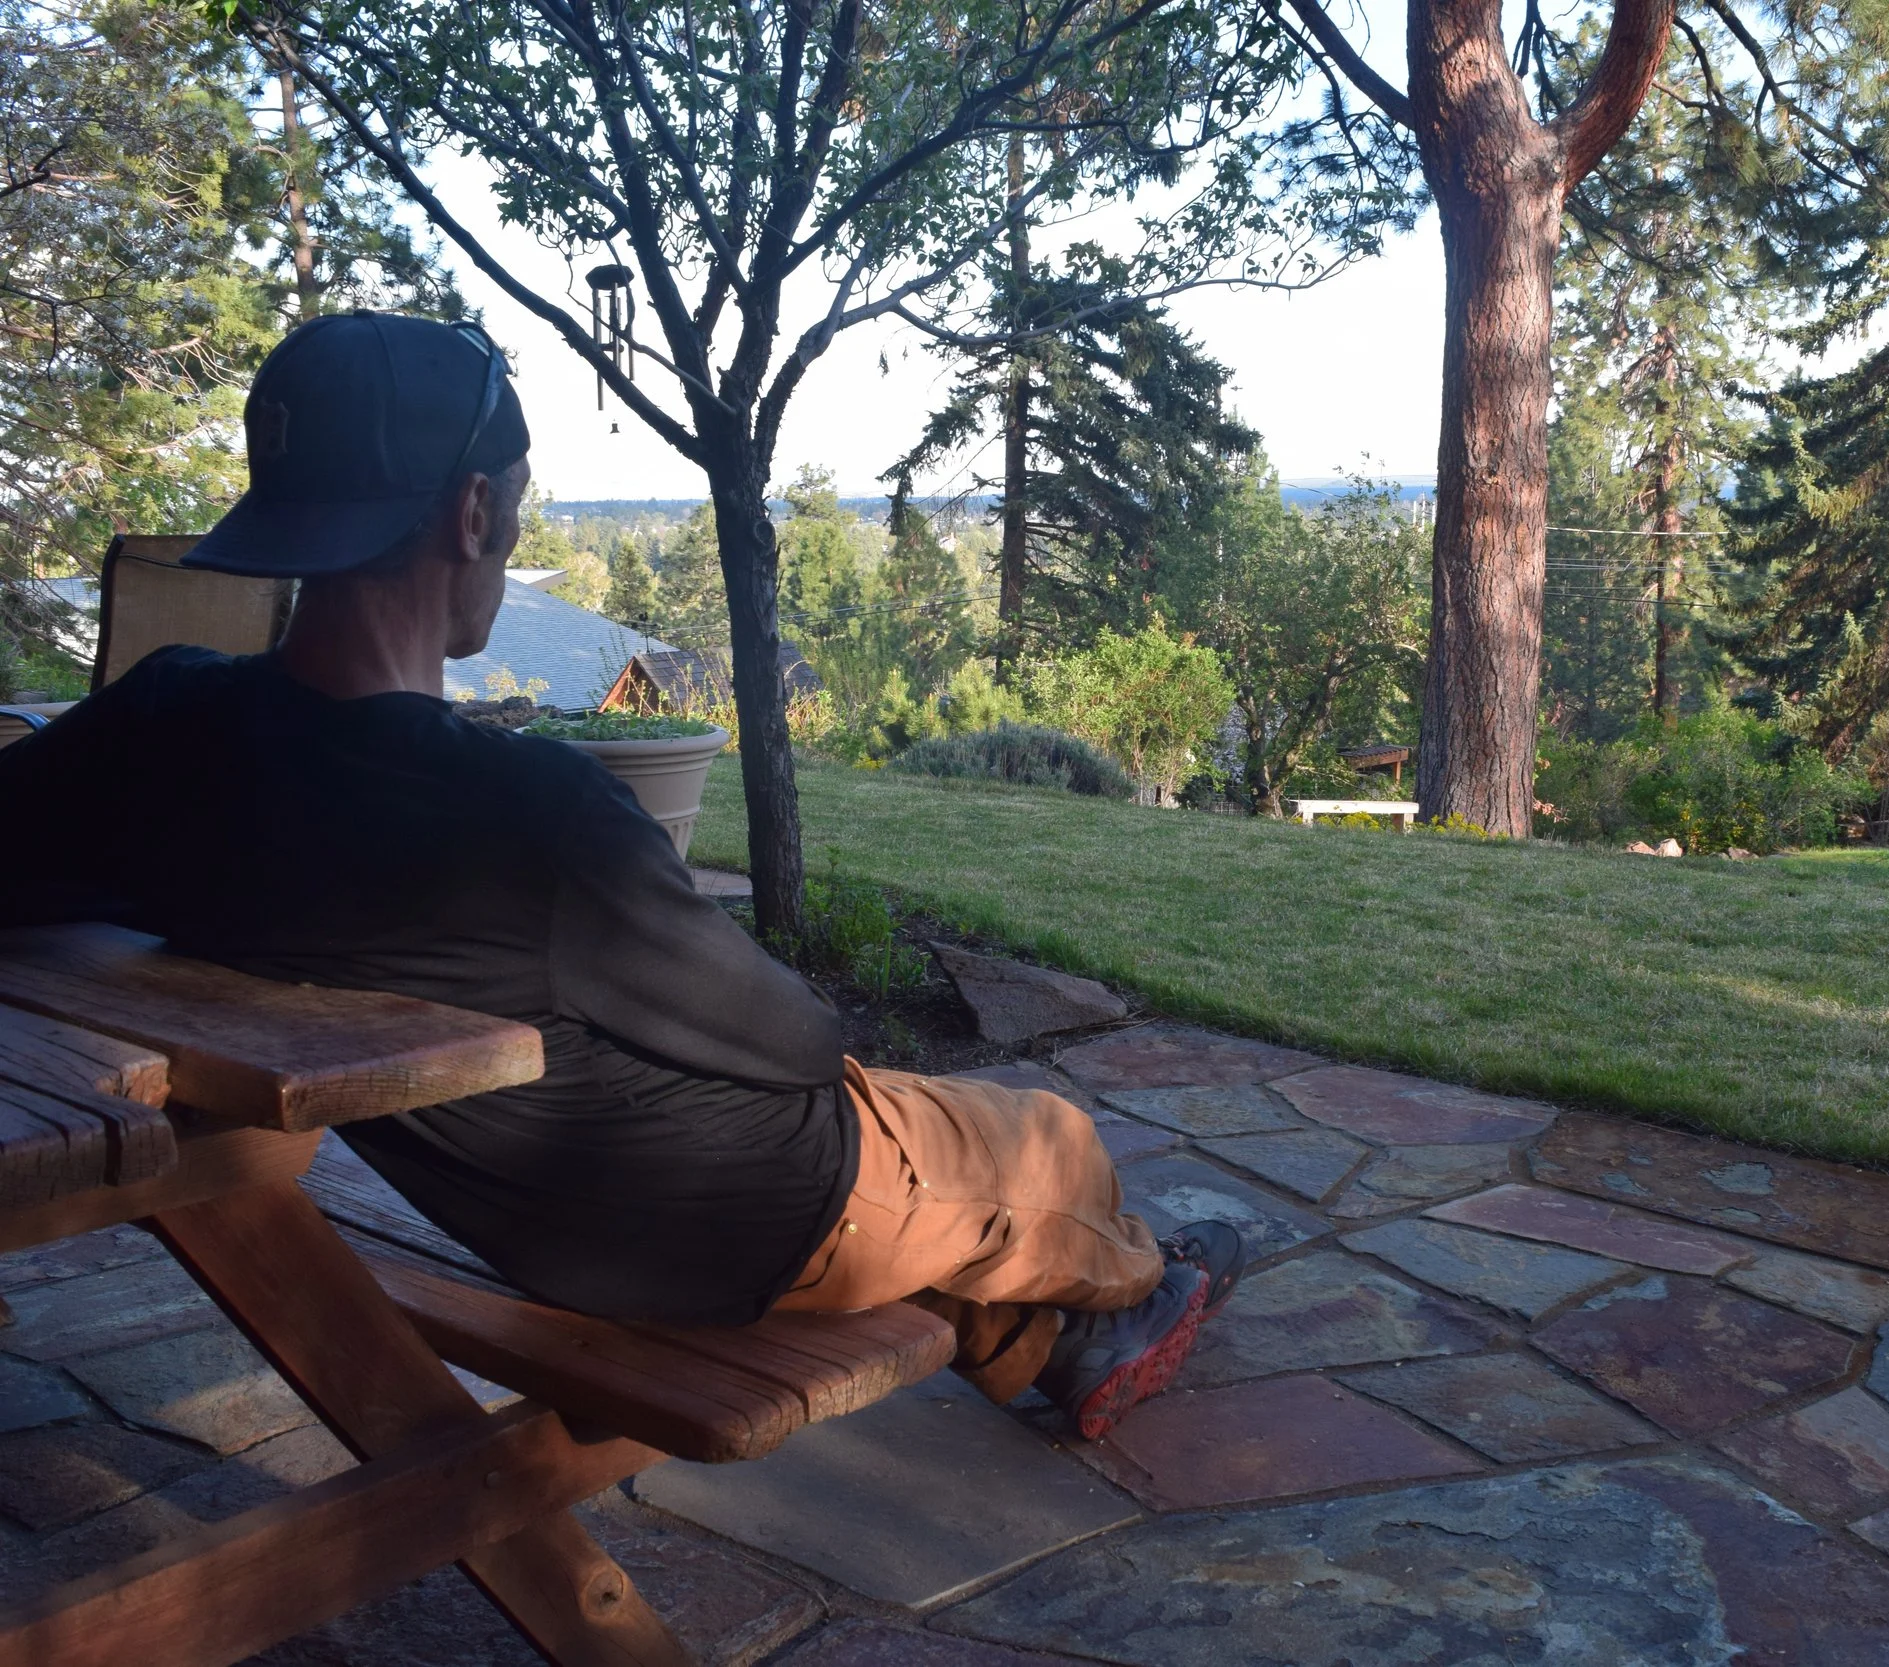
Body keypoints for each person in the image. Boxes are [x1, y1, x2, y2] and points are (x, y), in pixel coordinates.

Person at [0, 312, 1240, 1438]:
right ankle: (1140, 1278)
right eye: (518, 503)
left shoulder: (160, 726)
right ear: (472, 512)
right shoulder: (527, 814)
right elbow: (798, 1043)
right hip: (740, 1217)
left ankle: (1054, 1335)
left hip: (523, 1217)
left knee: (944, 1176)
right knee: (1052, 1140)